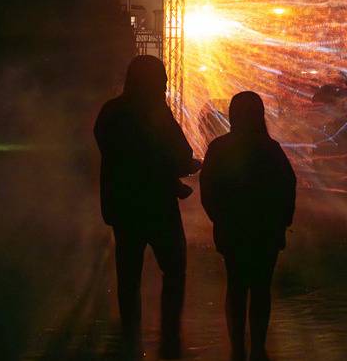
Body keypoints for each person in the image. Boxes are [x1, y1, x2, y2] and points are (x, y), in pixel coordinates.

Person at [94, 55, 199, 358]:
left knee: (128, 274)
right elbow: (180, 153)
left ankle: (130, 337)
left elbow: (115, 154)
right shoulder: (156, 112)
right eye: (163, 81)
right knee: (175, 268)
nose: (166, 87)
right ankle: (169, 336)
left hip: (123, 207)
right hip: (157, 206)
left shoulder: (110, 112)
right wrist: (184, 168)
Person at [201, 91, 296, 361]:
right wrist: (282, 222)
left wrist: (218, 219)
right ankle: (257, 346)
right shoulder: (271, 149)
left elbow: (208, 188)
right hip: (265, 231)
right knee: (262, 287)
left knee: (236, 286)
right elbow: (288, 187)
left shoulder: (219, 148)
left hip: (232, 230)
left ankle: (236, 347)